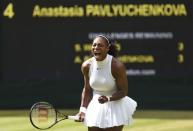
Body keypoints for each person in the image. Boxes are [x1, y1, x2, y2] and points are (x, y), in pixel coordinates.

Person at [76, 35, 137, 131]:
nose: (96, 47)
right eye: (94, 45)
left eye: (100, 45)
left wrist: (108, 98)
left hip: (116, 104)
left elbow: (123, 91)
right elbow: (87, 89)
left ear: (107, 48)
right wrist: (82, 110)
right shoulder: (86, 66)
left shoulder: (117, 66)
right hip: (96, 105)